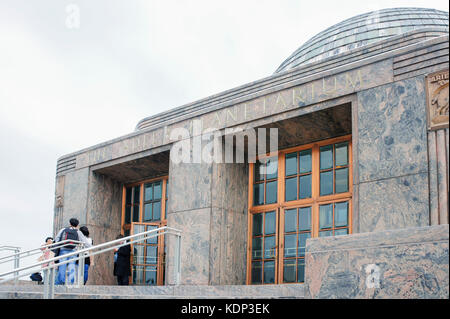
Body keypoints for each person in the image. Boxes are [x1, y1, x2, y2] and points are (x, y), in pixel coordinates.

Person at [53, 218, 92, 285]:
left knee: (62, 265)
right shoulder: (78, 232)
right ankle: (70, 281)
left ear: (70, 223)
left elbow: (57, 239)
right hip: (73, 251)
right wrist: (91, 247)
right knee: (72, 265)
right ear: (77, 225)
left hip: (63, 250)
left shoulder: (63, 230)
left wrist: (57, 246)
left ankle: (61, 281)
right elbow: (85, 242)